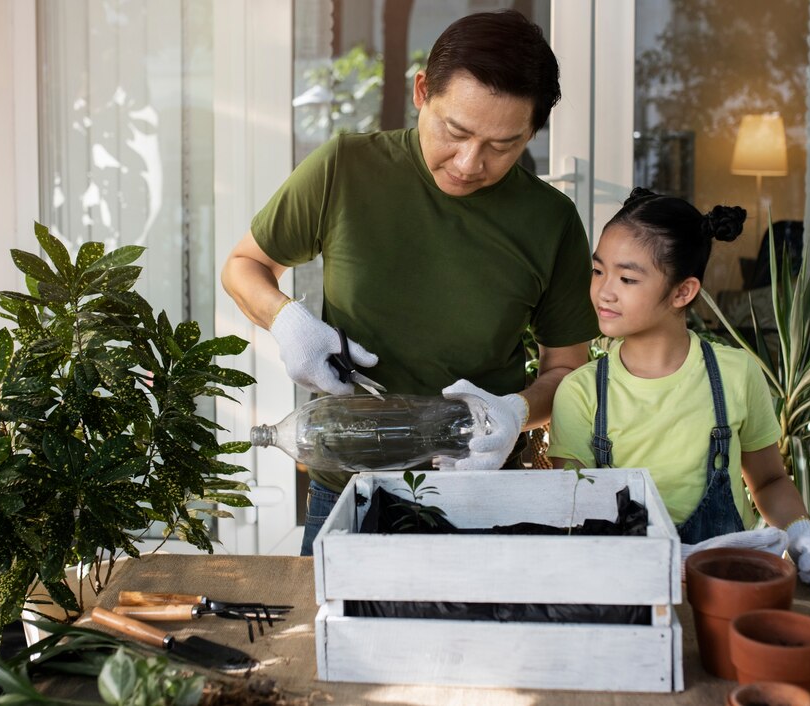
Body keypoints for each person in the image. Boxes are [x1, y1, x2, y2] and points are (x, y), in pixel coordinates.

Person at [221, 11, 599, 556]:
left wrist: (515, 412)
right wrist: (287, 320)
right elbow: (243, 265)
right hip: (351, 485)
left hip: (485, 492)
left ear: (531, 132)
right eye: (457, 131)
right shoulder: (344, 169)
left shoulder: (551, 220)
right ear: (422, 91)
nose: (470, 163)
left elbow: (567, 369)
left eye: (503, 144)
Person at [548, 188, 810, 596]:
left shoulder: (735, 373)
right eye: (597, 271)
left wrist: (805, 535)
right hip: (629, 591)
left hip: (731, 586)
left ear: (683, 292)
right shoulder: (580, 393)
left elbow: (767, 481)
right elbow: (575, 515)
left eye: (626, 278)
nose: (604, 291)